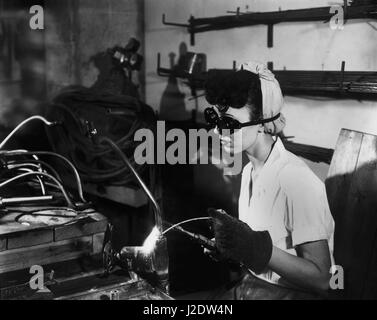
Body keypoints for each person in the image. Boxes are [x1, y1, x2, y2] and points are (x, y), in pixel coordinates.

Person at [203, 62, 335, 300]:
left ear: (263, 123)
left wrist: (256, 247)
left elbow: (323, 280)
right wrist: (233, 248)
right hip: (254, 286)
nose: (216, 132)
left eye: (228, 124)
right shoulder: (249, 172)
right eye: (214, 119)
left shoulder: (295, 180)